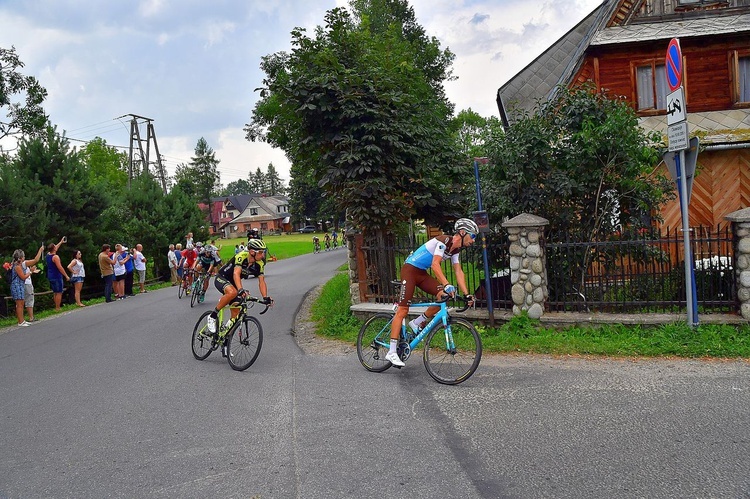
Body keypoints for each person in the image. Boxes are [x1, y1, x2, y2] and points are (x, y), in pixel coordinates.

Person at [386, 218, 478, 367]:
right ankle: (391, 351)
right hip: (410, 270)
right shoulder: (444, 241)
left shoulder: (456, 250)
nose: (473, 241)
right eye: (472, 236)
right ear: (462, 233)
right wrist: (446, 283)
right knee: (403, 310)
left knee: (443, 296)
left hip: (421, 273)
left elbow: (458, 271)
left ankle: (418, 321)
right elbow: (435, 264)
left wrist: (467, 293)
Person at [206, 238, 273, 338]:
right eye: (260, 252)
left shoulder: (260, 264)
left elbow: (261, 281)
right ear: (252, 252)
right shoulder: (241, 256)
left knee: (236, 314)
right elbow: (236, 274)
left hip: (233, 283)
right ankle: (212, 316)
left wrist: (265, 297)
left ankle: (225, 340)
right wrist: (240, 289)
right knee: (232, 292)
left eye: (263, 252)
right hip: (222, 277)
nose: (263, 255)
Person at [10, 247, 42, 326]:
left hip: (20, 285)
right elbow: (23, 277)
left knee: (21, 303)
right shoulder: (17, 266)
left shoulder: (19, 265)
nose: (24, 258)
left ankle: (22, 320)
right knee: (19, 304)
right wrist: (30, 272)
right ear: (20, 258)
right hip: (17, 285)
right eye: (23, 256)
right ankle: (20, 321)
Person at [20, 244, 44, 322]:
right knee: (29, 299)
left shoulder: (17, 265)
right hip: (27, 283)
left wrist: (31, 271)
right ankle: (31, 317)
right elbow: (36, 260)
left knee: (22, 301)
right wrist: (40, 250)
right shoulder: (24, 263)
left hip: (22, 283)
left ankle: (22, 318)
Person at [46, 237, 70, 311]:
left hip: (50, 275)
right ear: (54, 249)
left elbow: (55, 247)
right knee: (59, 292)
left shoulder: (48, 255)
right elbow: (60, 267)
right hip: (56, 276)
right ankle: (57, 307)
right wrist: (66, 275)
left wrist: (61, 242)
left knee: (55, 292)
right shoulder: (55, 257)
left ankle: (56, 306)